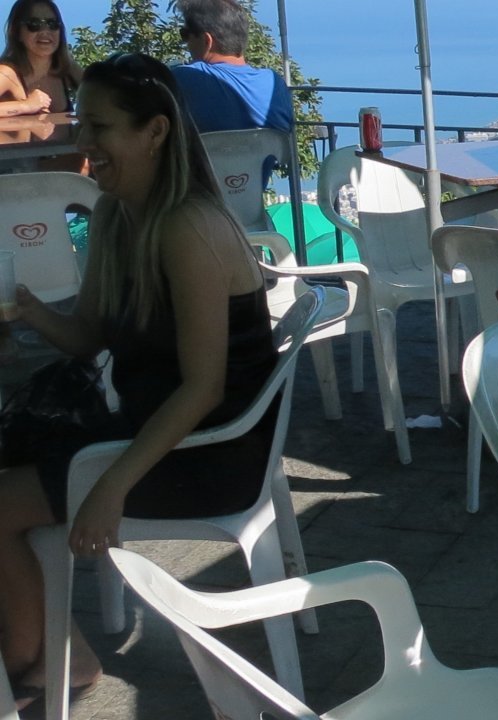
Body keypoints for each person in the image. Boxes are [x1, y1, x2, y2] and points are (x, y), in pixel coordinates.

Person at [0, 52, 278, 709]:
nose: (83, 141)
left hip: (207, 451)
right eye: (83, 124)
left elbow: (204, 388)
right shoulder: (114, 216)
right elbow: (90, 335)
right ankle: (57, 652)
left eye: (99, 128)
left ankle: (32, 660)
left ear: (154, 132)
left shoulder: (189, 228)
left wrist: (111, 486)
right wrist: (32, 312)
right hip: (146, 430)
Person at [170, 0, 292, 133]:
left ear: (207, 41)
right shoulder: (275, 83)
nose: (186, 43)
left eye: (185, 34)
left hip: (211, 154)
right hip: (268, 154)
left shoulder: (184, 77)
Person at [0, 0, 79, 118]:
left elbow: (106, 95)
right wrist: (25, 106)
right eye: (34, 24)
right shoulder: (7, 73)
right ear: (17, 33)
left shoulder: (66, 68)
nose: (45, 32)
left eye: (52, 24)